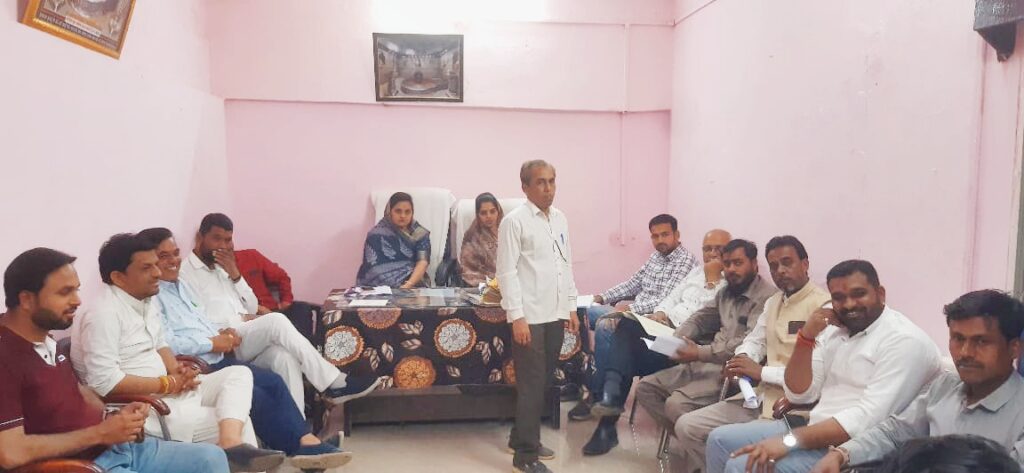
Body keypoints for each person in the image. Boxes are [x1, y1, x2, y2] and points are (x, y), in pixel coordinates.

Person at [138, 227, 354, 470]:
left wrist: (223, 328)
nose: (173, 260)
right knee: (264, 367)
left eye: (175, 253)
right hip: (200, 362)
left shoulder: (185, 283)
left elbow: (209, 317)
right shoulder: (158, 293)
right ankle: (309, 434)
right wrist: (214, 341)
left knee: (277, 371)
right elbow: (168, 341)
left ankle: (304, 441)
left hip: (223, 346)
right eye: (163, 256)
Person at [0, 247, 229, 473]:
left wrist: (114, 415)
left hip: (116, 447)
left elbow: (78, 391)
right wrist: (100, 433)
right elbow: (11, 453)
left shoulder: (44, 340)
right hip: (82, 466)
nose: (77, 301)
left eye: (76, 290)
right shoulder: (6, 357)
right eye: (64, 292)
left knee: (211, 458)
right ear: (26, 299)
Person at [69, 234, 285, 472]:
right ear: (118, 277)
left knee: (239, 375)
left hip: (170, 392)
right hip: (144, 409)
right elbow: (103, 382)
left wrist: (178, 371)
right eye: (146, 268)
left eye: (155, 264)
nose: (157, 273)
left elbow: (160, 343)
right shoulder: (103, 314)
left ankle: (230, 444)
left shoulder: (144, 300)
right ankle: (232, 447)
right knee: (236, 420)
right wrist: (167, 383)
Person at [706, 260, 943, 473]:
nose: (849, 304)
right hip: (816, 431)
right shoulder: (836, 330)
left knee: (741, 466)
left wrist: (788, 441)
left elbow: (866, 420)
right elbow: (800, 393)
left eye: (859, 294)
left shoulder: (903, 340)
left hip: (859, 451)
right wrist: (806, 337)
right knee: (718, 440)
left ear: (880, 293)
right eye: (839, 297)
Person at [583, 240, 777, 456]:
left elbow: (748, 343)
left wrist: (696, 350)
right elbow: (700, 318)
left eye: (737, 263)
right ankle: (693, 444)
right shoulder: (723, 290)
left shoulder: (766, 297)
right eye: (727, 263)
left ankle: (608, 414)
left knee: (660, 389)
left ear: (754, 264)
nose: (731, 269)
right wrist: (677, 339)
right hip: (686, 348)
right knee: (630, 340)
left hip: (721, 366)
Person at [176, 214, 382, 411]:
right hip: (224, 344)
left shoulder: (223, 267)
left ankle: (299, 429)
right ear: (200, 238)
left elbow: (251, 305)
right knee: (276, 320)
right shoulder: (185, 274)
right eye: (216, 239)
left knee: (284, 358)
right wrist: (238, 318)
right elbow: (197, 321)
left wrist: (236, 275)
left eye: (228, 240)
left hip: (246, 336)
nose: (223, 246)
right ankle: (332, 383)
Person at [811, 289, 1024, 472]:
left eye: (982, 341)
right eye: (958, 339)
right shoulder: (945, 387)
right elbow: (896, 433)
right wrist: (842, 454)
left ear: (1014, 348)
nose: (965, 352)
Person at [670, 236, 829, 472]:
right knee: (688, 426)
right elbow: (754, 340)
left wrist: (760, 371)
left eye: (787, 263)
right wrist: (741, 360)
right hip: (759, 396)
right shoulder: (774, 302)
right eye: (774, 266)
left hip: (795, 408)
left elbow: (816, 375)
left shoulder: (823, 307)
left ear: (805, 264)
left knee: (732, 454)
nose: (780, 271)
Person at [570, 229, 730, 446]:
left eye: (719, 249)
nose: (712, 253)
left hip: (684, 344)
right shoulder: (695, 272)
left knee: (616, 337)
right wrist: (660, 314)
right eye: (707, 249)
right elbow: (670, 298)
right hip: (662, 329)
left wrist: (712, 280)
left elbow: (707, 317)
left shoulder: (729, 284)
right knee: (618, 330)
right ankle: (604, 399)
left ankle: (603, 400)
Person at [497, 159, 581, 473]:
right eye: (541, 182)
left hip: (554, 312)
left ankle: (520, 437)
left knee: (544, 381)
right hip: (529, 315)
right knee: (531, 385)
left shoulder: (560, 219)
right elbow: (506, 272)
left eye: (552, 181)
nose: (548, 188)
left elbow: (565, 264)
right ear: (525, 187)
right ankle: (525, 456)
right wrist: (516, 316)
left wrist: (570, 305)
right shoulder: (514, 222)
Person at [587, 214, 699, 329]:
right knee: (585, 311)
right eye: (655, 236)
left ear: (677, 235)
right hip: (635, 313)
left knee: (604, 324)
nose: (660, 240)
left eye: (665, 235)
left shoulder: (685, 260)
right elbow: (632, 284)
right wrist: (602, 297)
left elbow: (666, 300)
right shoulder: (656, 256)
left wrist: (629, 308)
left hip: (653, 319)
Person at [234, 246, 318, 343]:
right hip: (250, 318)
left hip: (274, 310)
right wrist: (258, 309)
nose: (225, 246)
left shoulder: (250, 256)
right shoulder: (219, 273)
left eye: (227, 240)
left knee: (302, 308)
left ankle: (306, 346)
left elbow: (281, 277)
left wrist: (285, 301)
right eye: (220, 241)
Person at [356, 192, 432, 288]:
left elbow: (422, 262)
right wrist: (389, 285)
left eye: (407, 212)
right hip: (378, 287)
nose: (403, 215)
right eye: (398, 211)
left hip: (412, 282)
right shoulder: (376, 235)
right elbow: (373, 269)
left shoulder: (419, 233)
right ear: (389, 212)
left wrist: (408, 285)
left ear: (412, 213)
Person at [459, 192, 504, 286]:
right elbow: (468, 271)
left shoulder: (508, 229)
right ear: (478, 215)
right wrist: (493, 285)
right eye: (483, 213)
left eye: (492, 211)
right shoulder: (472, 237)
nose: (489, 216)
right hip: (482, 285)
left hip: (511, 282)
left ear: (498, 211)